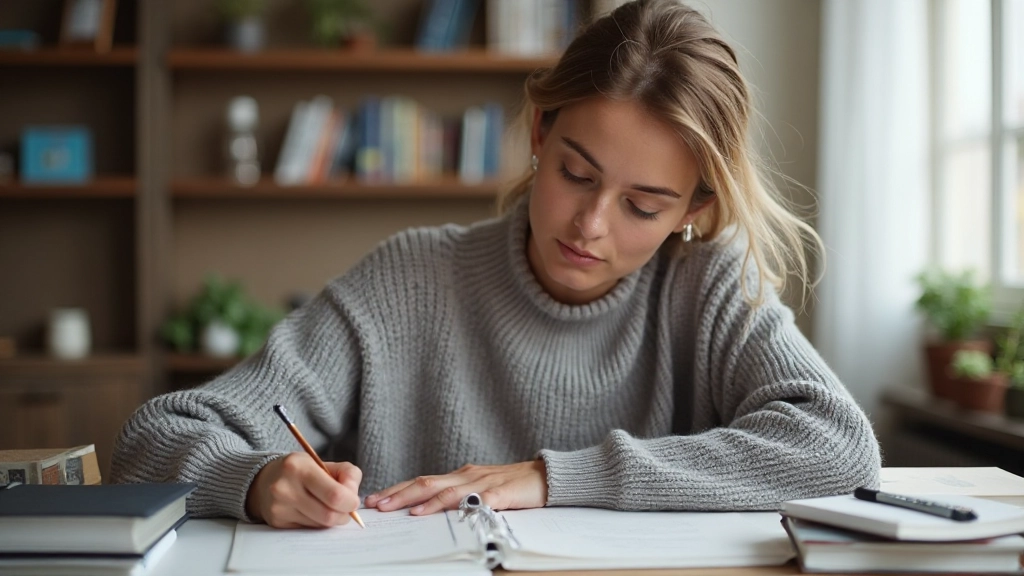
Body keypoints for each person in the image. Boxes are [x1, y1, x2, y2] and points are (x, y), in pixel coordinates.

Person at [111, 0, 881, 529]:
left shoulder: (708, 284)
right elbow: (154, 438)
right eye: (576, 173)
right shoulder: (410, 278)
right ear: (540, 133)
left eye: (643, 206)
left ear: (694, 208)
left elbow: (841, 449)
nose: (591, 225)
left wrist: (551, 478)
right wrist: (252, 482)